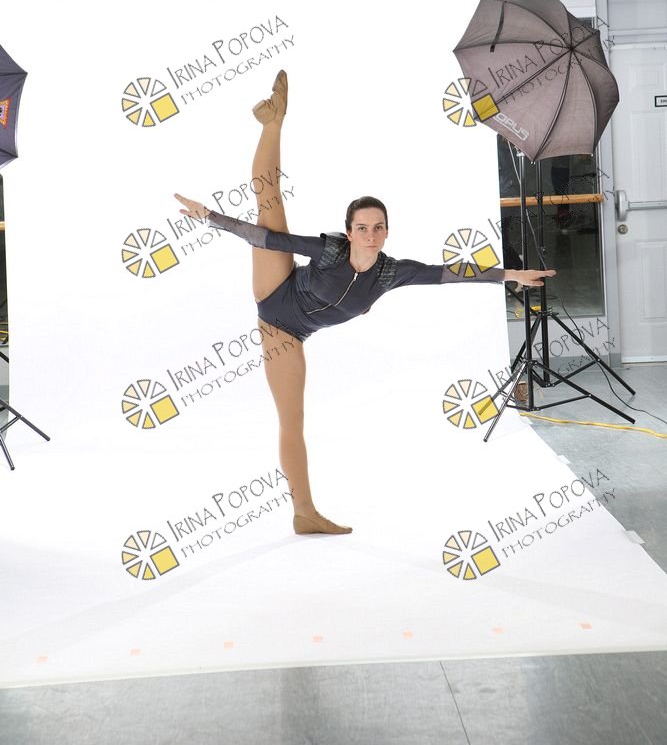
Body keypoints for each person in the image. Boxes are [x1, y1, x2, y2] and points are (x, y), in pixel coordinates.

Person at [175, 71, 556, 537]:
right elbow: (266, 238)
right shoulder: (330, 251)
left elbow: (449, 274)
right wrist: (209, 217)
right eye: (362, 227)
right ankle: (274, 122)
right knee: (270, 206)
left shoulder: (391, 272)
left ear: (386, 232)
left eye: (378, 227)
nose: (370, 235)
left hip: (294, 333)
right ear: (349, 230)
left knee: (295, 417)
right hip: (276, 302)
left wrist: (509, 274)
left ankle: (302, 515)